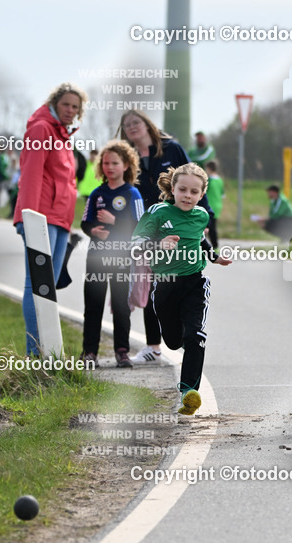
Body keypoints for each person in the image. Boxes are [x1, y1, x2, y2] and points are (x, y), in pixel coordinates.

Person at [117, 109, 217, 364]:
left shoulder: (171, 149)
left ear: (147, 124)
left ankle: (186, 330)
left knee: (175, 282)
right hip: (147, 229)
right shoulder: (127, 157)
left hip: (180, 225)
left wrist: (204, 214)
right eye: (126, 125)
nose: (132, 127)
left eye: (136, 122)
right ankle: (153, 346)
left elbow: (194, 177)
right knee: (151, 287)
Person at [131, 163, 230, 414]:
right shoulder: (158, 212)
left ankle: (189, 392)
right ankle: (179, 346)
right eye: (183, 189)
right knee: (174, 342)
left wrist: (214, 256)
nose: (188, 195)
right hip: (165, 285)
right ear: (173, 189)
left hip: (194, 282)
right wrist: (159, 242)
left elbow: (199, 238)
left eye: (194, 192)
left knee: (195, 336)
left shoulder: (201, 216)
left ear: (201, 194)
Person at [13, 82, 87, 356]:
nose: (71, 110)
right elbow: (31, 174)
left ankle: (47, 353)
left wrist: (69, 223)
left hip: (60, 220)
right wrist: (28, 218)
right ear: (55, 103)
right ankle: (35, 352)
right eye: (66, 104)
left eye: (76, 107)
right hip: (40, 218)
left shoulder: (62, 135)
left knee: (49, 286)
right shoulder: (42, 129)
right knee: (37, 285)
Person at [80, 140, 144, 368]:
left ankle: (122, 351)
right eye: (105, 163)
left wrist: (115, 222)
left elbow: (140, 226)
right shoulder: (97, 193)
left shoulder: (132, 193)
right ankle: (89, 352)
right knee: (93, 305)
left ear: (126, 165)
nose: (109, 167)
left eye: (115, 163)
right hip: (96, 257)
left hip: (122, 258)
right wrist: (93, 230)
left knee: (120, 305)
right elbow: (85, 222)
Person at [204, 160, 224, 248]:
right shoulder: (220, 180)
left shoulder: (209, 180)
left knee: (207, 228)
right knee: (212, 227)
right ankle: (214, 246)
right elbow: (222, 195)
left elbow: (203, 193)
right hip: (218, 205)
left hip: (209, 206)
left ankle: (213, 247)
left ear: (208, 169)